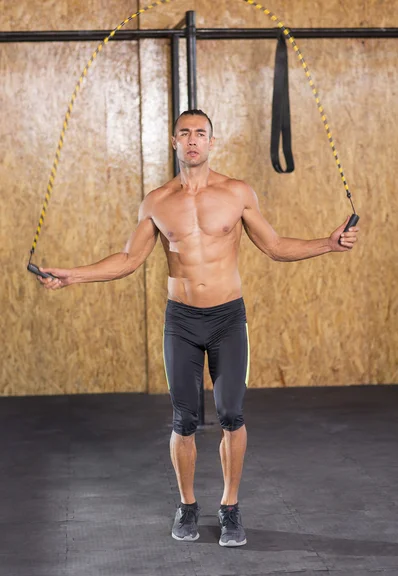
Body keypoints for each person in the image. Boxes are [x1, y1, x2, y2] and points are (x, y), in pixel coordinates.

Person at [38, 109, 359, 547]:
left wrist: (329, 242)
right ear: (173, 141)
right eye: (185, 133)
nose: (193, 140)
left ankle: (229, 508)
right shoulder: (157, 201)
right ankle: (188, 505)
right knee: (184, 419)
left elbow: (276, 247)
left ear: (212, 141)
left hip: (228, 317)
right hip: (182, 321)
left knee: (232, 413)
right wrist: (72, 275)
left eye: (200, 134)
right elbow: (128, 260)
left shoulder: (237, 193)